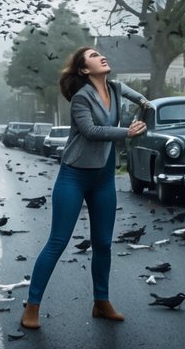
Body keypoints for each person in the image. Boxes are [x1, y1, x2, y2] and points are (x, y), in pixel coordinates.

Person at [20, 46, 152, 330]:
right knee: (57, 242)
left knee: (103, 243)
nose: (101, 56)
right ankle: (32, 306)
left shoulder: (115, 88)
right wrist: (127, 132)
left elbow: (136, 95)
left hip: (103, 177)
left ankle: (101, 302)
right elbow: (92, 131)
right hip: (74, 176)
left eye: (99, 54)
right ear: (83, 70)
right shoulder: (81, 98)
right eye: (92, 56)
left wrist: (146, 103)